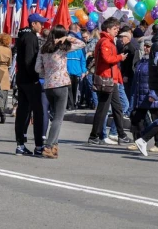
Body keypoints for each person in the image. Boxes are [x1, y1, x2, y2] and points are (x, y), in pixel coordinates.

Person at [35, 25, 85, 158]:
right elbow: (82, 44)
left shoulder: (43, 49)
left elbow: (37, 68)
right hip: (61, 85)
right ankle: (49, 146)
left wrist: (48, 72)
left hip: (48, 85)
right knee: (58, 118)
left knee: (54, 115)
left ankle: (55, 146)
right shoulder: (63, 49)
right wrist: (67, 38)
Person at [88, 17, 132, 145]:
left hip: (111, 79)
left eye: (117, 28)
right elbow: (107, 59)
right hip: (107, 79)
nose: (117, 31)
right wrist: (120, 57)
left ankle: (121, 135)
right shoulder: (105, 42)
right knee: (103, 108)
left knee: (118, 108)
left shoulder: (108, 41)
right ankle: (94, 135)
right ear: (108, 29)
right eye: (115, 28)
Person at [14, 13, 48, 156]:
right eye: (40, 23)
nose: (42, 25)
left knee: (23, 112)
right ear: (33, 23)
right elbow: (29, 60)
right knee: (38, 113)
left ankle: (20, 145)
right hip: (29, 80)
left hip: (21, 79)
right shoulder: (30, 37)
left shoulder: (23, 35)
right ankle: (39, 146)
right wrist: (35, 77)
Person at [66, 23, 87, 111]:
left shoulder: (65, 40)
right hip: (76, 70)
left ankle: (71, 104)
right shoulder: (78, 41)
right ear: (76, 30)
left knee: (69, 89)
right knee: (74, 89)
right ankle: (73, 104)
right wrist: (83, 70)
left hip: (68, 70)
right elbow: (83, 58)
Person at [0, 33, 13, 123]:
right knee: (4, 94)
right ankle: (2, 111)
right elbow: (10, 63)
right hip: (5, 71)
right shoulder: (8, 50)